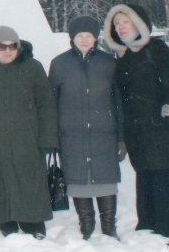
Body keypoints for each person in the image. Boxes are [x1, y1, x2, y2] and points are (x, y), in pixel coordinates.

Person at [102, 4, 169, 248]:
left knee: (165, 178)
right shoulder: (122, 56)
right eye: (117, 24)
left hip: (160, 127)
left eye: (125, 22)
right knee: (145, 177)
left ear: (138, 23)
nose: (121, 27)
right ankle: (147, 224)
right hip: (137, 130)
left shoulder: (155, 48)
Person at [0, 26, 58, 240]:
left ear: (18, 47)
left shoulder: (33, 68)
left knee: (29, 178)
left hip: (27, 136)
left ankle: (33, 221)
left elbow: (47, 105)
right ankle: (5, 220)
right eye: (2, 46)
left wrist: (48, 138)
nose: (7, 50)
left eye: (12, 46)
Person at [49, 15, 123, 240]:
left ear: (95, 38)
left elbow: (119, 102)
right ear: (72, 38)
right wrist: (54, 136)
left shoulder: (109, 63)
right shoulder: (59, 64)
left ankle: (109, 227)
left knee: (106, 180)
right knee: (78, 180)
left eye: (88, 35)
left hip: (104, 134)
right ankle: (86, 227)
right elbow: (51, 103)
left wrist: (121, 138)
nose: (83, 39)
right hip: (71, 135)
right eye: (79, 35)